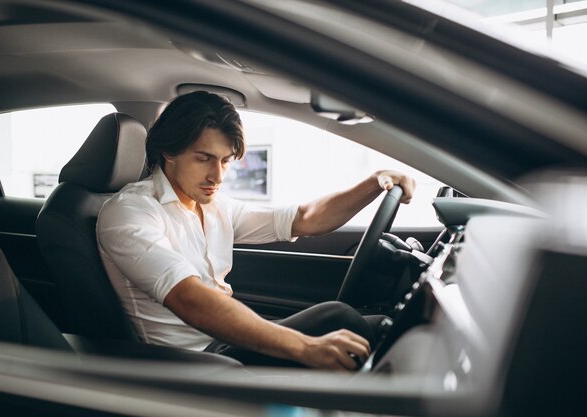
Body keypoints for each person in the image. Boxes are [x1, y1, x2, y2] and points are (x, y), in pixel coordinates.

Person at [97, 91, 416, 370]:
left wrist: (374, 182)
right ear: (168, 152)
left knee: (375, 326)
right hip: (192, 363)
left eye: (225, 161)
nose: (217, 175)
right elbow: (189, 298)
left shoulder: (214, 205)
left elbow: (305, 218)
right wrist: (306, 347)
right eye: (204, 158)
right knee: (339, 320)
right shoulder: (130, 213)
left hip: (224, 344)